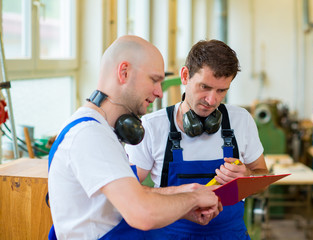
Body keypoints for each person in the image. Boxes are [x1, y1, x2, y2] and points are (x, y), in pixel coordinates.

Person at [47, 35, 222, 240]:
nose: (159, 92)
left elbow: (132, 195)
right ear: (124, 72)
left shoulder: (102, 131)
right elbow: (142, 214)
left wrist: (185, 195)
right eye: (154, 80)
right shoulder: (89, 135)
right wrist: (193, 198)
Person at [125, 39, 269, 239]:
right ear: (185, 76)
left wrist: (247, 176)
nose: (212, 100)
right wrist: (185, 198)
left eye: (221, 91)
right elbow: (127, 193)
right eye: (205, 87)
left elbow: (262, 180)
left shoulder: (240, 120)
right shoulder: (152, 126)